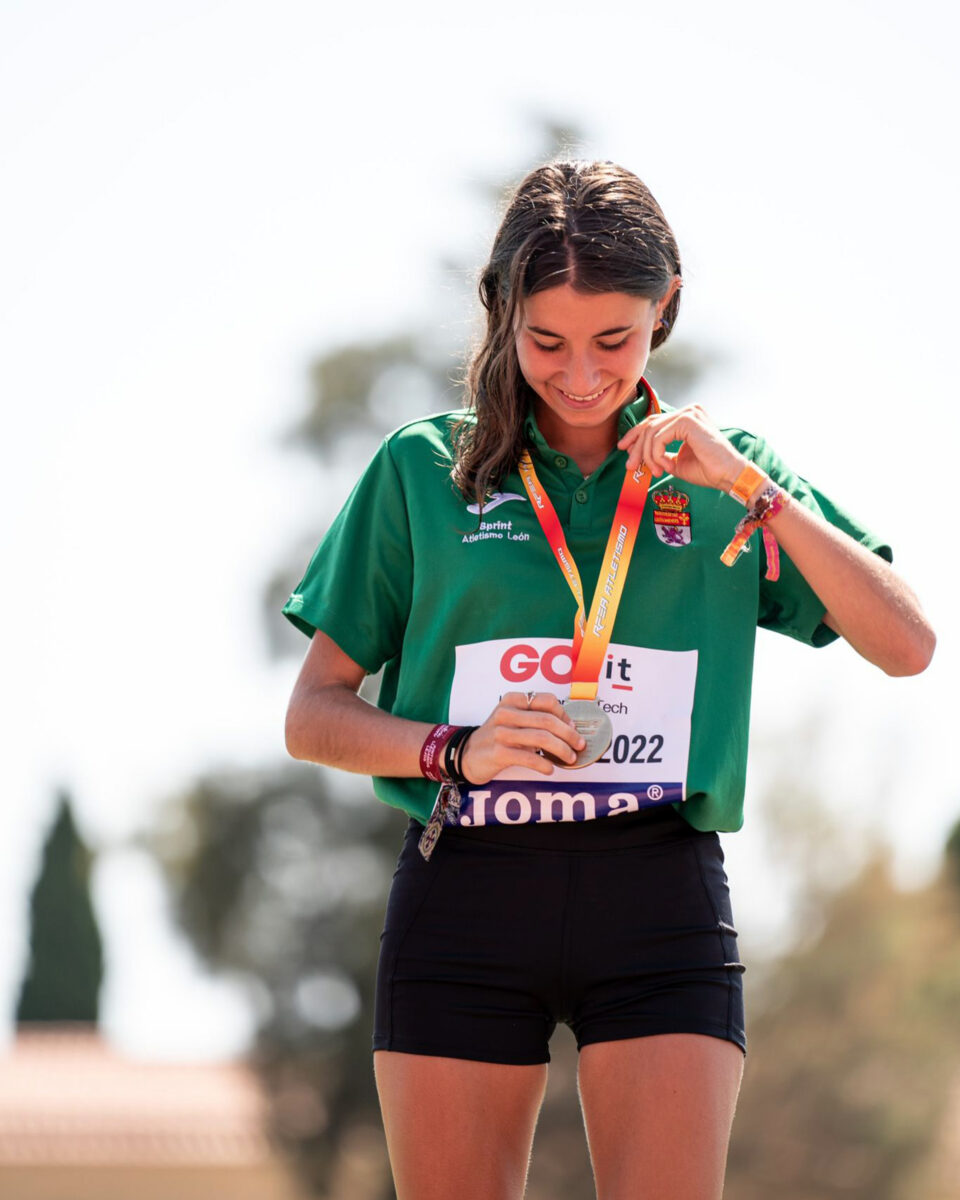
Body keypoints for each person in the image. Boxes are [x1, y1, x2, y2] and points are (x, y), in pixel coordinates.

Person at [281, 160, 935, 1200]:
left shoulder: (729, 477)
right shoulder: (422, 468)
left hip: (658, 892)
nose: (581, 372)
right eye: (546, 341)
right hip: (467, 885)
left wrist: (755, 490)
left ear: (663, 309)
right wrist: (451, 748)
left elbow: (908, 644)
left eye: (614, 340)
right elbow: (313, 715)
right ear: (503, 314)